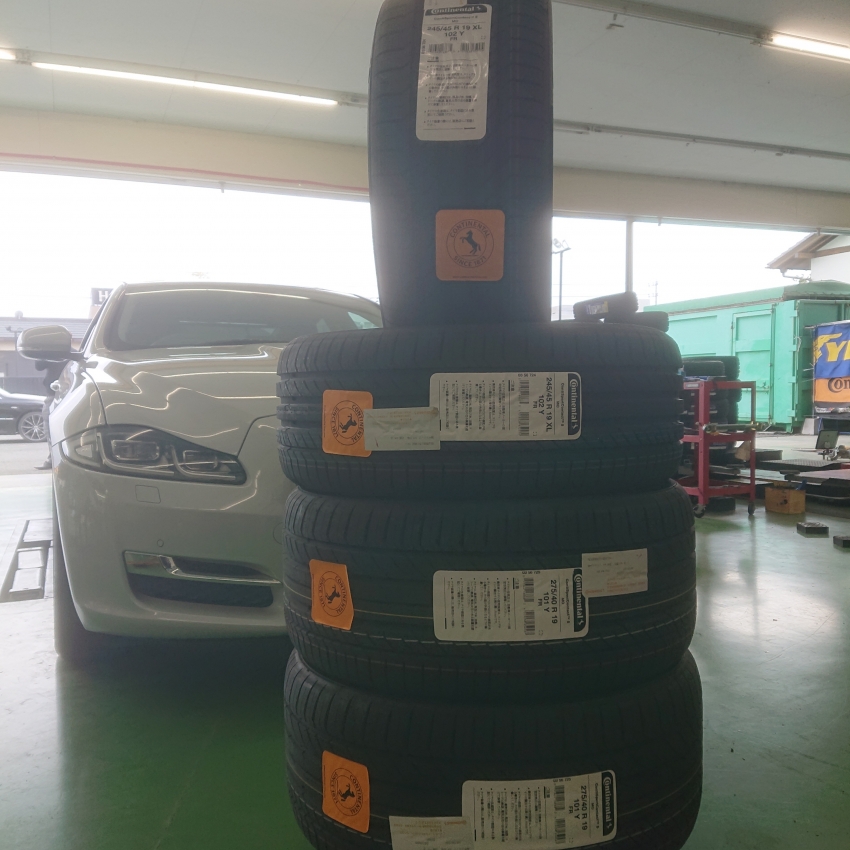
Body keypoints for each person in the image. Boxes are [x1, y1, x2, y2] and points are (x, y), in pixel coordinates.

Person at [33, 360, 65, 470]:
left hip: (60, 394)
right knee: (50, 429)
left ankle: (55, 459)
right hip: (57, 394)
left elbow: (39, 365)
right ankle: (53, 459)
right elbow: (39, 365)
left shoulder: (65, 355)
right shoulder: (54, 355)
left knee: (51, 429)